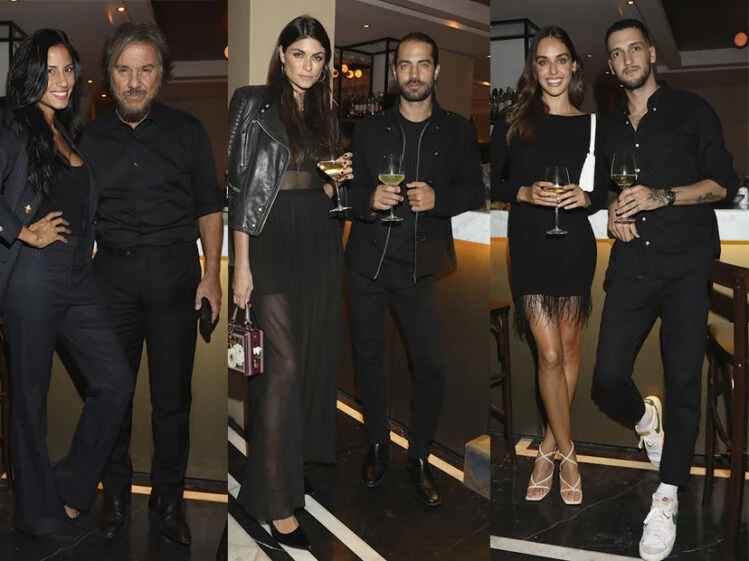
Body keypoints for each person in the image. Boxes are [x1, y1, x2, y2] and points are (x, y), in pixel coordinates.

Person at [593, 19, 737, 561]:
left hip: (685, 267)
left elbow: (722, 183)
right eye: (617, 53)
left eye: (635, 48)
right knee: (607, 375)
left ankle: (668, 494)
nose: (627, 59)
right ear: (611, 65)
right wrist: (614, 210)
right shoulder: (608, 124)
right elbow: (606, 187)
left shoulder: (692, 110)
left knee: (682, 382)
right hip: (632, 265)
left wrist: (663, 196)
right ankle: (644, 420)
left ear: (652, 53)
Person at [79, 22, 224, 546]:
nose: (135, 81)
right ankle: (115, 497)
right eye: (124, 69)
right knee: (112, 397)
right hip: (111, 279)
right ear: (109, 74)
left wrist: (212, 275)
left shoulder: (188, 132)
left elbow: (209, 205)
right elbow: (76, 215)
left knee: (172, 403)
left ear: (162, 75)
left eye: (146, 69)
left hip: (175, 277)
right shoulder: (88, 140)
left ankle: (168, 502)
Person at [0, 29, 132, 540]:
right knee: (30, 397)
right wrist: (21, 231)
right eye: (50, 70)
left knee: (115, 381)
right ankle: (35, 515)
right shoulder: (13, 125)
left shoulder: (64, 131)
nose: (62, 80)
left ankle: (71, 486)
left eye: (68, 69)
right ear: (31, 75)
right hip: (33, 273)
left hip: (78, 273)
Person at [228, 15, 351, 551]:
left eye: (317, 57)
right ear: (281, 56)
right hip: (270, 239)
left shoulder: (327, 114)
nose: (308, 65)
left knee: (309, 361)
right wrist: (241, 265)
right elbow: (239, 186)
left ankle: (282, 468)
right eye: (299, 54)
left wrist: (338, 182)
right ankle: (274, 503)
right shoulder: (251, 102)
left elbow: (326, 190)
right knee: (283, 365)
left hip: (318, 239)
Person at [346, 31, 485, 507]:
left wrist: (439, 199)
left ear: (436, 71)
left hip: (419, 268)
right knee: (368, 360)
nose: (414, 74)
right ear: (395, 72)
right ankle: (377, 443)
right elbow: (348, 190)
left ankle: (418, 456)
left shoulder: (458, 130)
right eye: (405, 65)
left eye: (423, 64)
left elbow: (474, 190)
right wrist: (368, 199)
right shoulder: (369, 130)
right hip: (366, 264)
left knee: (432, 367)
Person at [491, 26, 608, 505]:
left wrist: (588, 197)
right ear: (533, 68)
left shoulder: (594, 125)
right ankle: (570, 454)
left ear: (574, 66)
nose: (553, 70)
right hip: (529, 243)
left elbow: (604, 188)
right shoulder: (513, 121)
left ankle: (546, 446)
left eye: (561, 60)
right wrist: (522, 191)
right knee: (550, 354)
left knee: (569, 347)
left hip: (574, 243)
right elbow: (493, 182)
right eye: (543, 61)